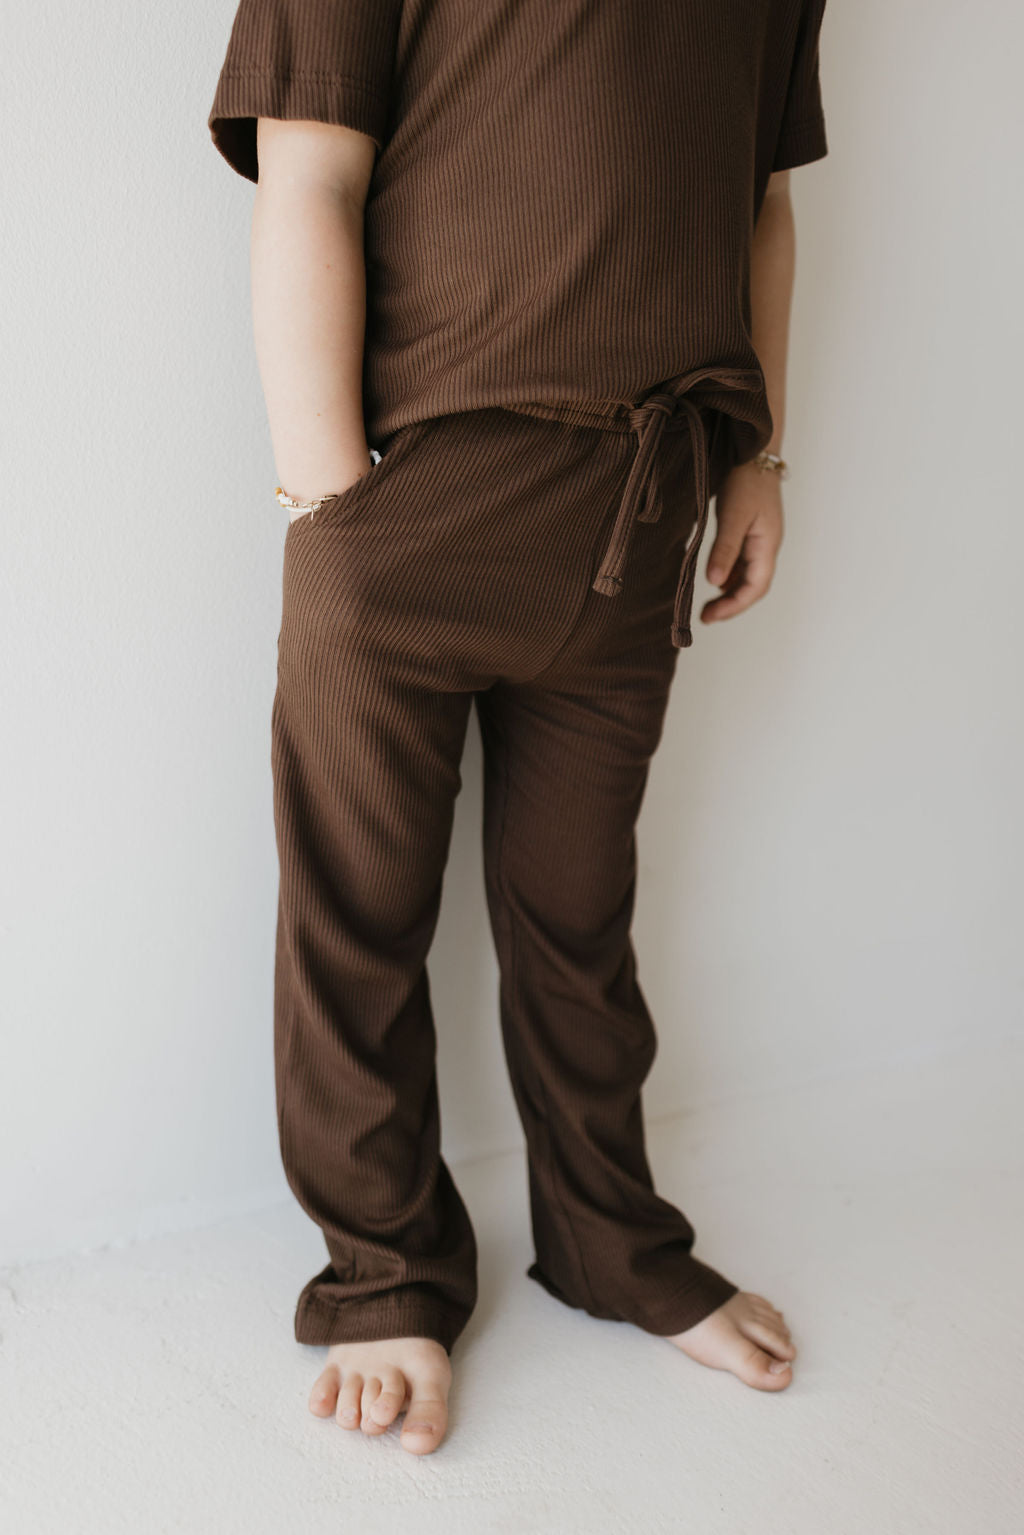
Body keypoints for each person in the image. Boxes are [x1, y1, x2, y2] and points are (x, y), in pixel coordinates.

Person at [207, 0, 828, 1456]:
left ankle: (610, 1234)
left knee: (578, 912)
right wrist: (327, 503)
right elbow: (311, 172)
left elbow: (762, 202)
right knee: (357, 920)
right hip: (416, 491)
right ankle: (385, 1272)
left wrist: (761, 456)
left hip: (644, 494)